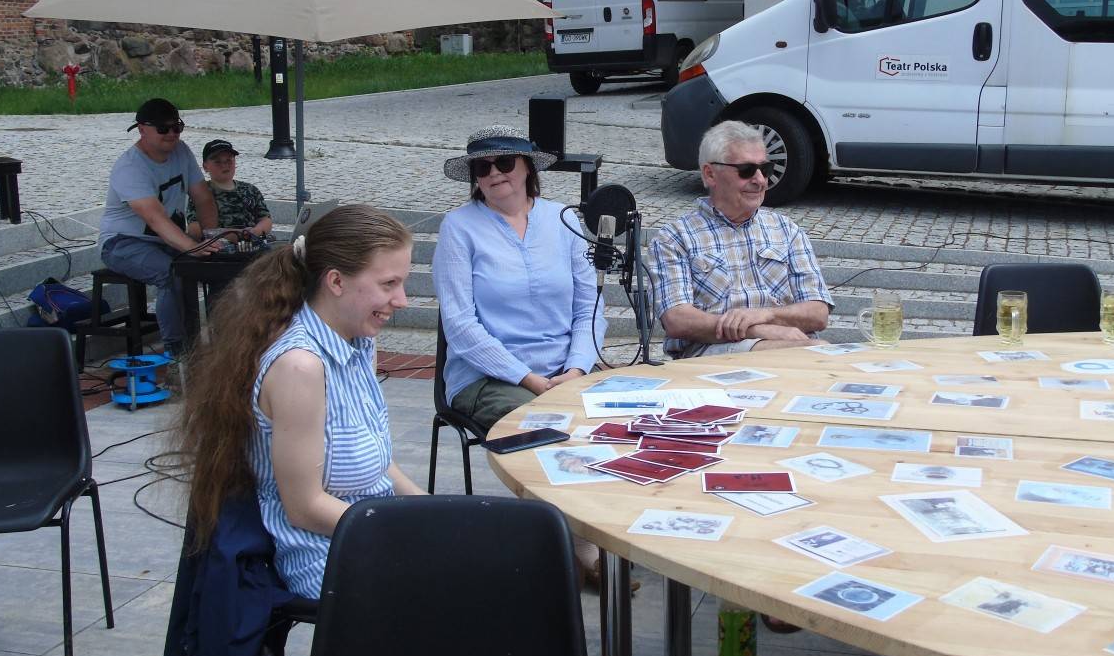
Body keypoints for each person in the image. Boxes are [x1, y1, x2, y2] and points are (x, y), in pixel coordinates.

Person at [180, 204, 426, 599]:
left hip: (371, 530)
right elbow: (305, 507)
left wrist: (434, 513)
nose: (402, 300)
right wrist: (404, 532)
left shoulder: (359, 341)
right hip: (325, 554)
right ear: (336, 281)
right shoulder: (300, 367)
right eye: (389, 284)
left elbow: (383, 469)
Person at [433, 124, 606, 433]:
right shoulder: (458, 227)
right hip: (488, 377)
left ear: (527, 166)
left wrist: (577, 369)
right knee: (548, 427)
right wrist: (528, 379)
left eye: (505, 163)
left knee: (621, 419)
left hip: (566, 369)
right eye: (482, 167)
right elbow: (459, 325)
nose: (494, 173)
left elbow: (589, 308)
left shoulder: (562, 218)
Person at [649, 119, 834, 358]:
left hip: (791, 346)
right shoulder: (674, 238)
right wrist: (757, 331)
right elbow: (677, 319)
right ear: (710, 174)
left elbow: (818, 313)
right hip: (710, 354)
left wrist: (766, 315)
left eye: (765, 169)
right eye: (746, 170)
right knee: (816, 352)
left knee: (821, 355)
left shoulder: (787, 230)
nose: (760, 180)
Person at [98, 98, 221, 358]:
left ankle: (202, 343)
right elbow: (155, 218)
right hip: (122, 242)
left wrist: (212, 238)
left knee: (206, 266)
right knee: (171, 272)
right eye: (163, 129)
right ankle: (176, 353)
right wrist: (192, 247)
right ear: (142, 129)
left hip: (164, 239)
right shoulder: (129, 167)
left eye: (177, 127)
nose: (172, 134)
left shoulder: (181, 151)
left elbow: (203, 197)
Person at [186, 139, 273, 241]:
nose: (224, 165)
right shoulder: (201, 192)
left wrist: (255, 232)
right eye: (217, 162)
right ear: (205, 166)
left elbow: (265, 219)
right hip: (217, 246)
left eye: (229, 160)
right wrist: (233, 234)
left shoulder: (250, 190)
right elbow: (194, 229)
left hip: (251, 243)